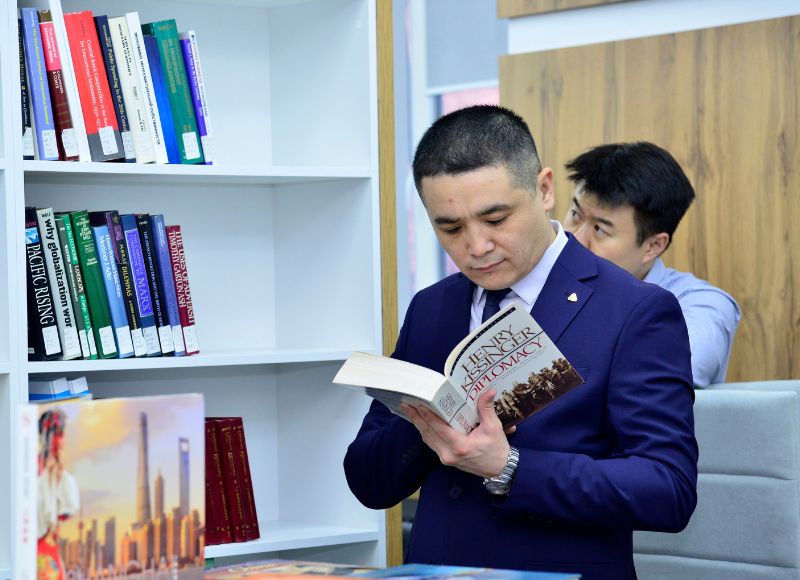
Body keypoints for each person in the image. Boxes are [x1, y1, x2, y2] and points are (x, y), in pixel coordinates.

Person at [343, 106, 698, 580]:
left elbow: (668, 490)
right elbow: (368, 482)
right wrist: (432, 422)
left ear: (544, 189)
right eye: (450, 228)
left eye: (496, 218)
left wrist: (508, 466)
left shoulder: (633, 310)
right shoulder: (432, 307)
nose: (476, 246)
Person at [562, 141, 741, 387]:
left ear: (653, 246)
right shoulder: (542, 278)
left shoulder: (701, 303)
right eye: (575, 215)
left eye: (600, 229)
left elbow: (668, 369)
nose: (576, 239)